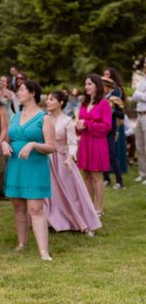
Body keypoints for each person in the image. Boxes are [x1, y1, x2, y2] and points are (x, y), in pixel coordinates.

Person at [1, 80, 56, 261]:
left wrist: (33, 144)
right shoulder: (15, 117)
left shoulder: (44, 118)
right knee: (18, 206)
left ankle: (43, 251)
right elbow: (7, 139)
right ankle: (22, 243)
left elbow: (51, 147)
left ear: (32, 93)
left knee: (36, 208)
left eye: (22, 89)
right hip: (16, 166)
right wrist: (3, 144)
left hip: (35, 167)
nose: (19, 92)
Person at [44, 91, 101, 236]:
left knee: (71, 194)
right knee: (49, 194)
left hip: (63, 161)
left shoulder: (67, 121)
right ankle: (51, 220)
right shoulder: (44, 119)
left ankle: (82, 222)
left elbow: (72, 143)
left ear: (61, 103)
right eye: (48, 99)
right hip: (47, 160)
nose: (47, 102)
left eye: (51, 99)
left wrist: (70, 157)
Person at [76, 74, 111, 217]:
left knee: (97, 176)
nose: (86, 87)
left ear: (97, 85)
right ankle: (89, 207)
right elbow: (79, 123)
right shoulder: (83, 103)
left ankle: (99, 208)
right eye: (85, 84)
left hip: (97, 143)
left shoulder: (104, 104)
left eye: (89, 84)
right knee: (86, 175)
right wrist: (78, 126)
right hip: (85, 142)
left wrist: (87, 124)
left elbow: (107, 126)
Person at [101, 76, 124, 189]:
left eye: (103, 86)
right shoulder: (100, 98)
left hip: (111, 131)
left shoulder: (114, 99)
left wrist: (113, 111)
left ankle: (119, 182)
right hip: (101, 130)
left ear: (108, 88)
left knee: (111, 155)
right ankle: (106, 178)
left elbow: (122, 115)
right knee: (103, 155)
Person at [104, 67, 128, 174]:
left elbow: (116, 106)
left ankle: (116, 167)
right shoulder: (106, 89)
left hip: (116, 119)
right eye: (104, 74)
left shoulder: (116, 90)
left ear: (112, 76)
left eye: (108, 74)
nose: (105, 76)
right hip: (109, 118)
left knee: (115, 144)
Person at [133, 58, 146, 184]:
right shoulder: (143, 80)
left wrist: (139, 95)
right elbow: (135, 95)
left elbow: (137, 95)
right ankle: (142, 174)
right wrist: (139, 95)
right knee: (140, 146)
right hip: (139, 115)